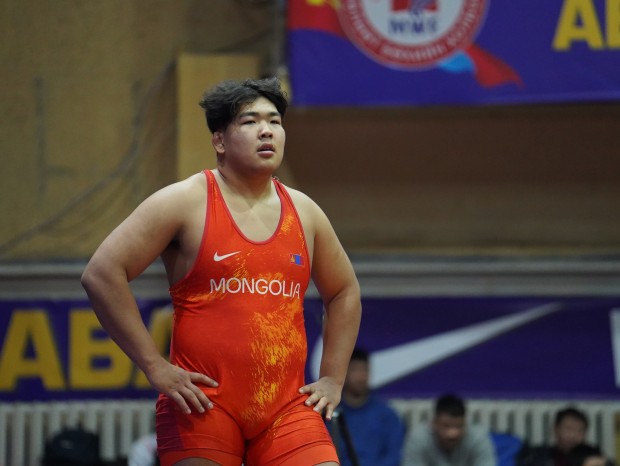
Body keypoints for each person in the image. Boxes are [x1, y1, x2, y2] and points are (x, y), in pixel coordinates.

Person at [81, 77, 362, 466]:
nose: (267, 130)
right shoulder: (184, 201)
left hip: (285, 408)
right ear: (219, 141)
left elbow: (344, 291)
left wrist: (332, 378)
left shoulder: (305, 211)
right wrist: (154, 365)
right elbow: (101, 274)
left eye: (275, 121)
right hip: (202, 404)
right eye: (250, 121)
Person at [330, 347, 405, 466]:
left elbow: (394, 456)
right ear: (343, 373)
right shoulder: (331, 415)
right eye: (354, 370)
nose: (360, 377)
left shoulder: (387, 415)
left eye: (364, 370)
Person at [401, 393, 496, 466]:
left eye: (459, 426)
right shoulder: (418, 438)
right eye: (446, 426)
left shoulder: (478, 438)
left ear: (465, 423)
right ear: (434, 423)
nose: (453, 434)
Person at [516, 407, 595, 466]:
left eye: (579, 430)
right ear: (556, 429)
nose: (573, 435)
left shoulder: (593, 459)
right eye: (568, 429)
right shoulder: (538, 457)